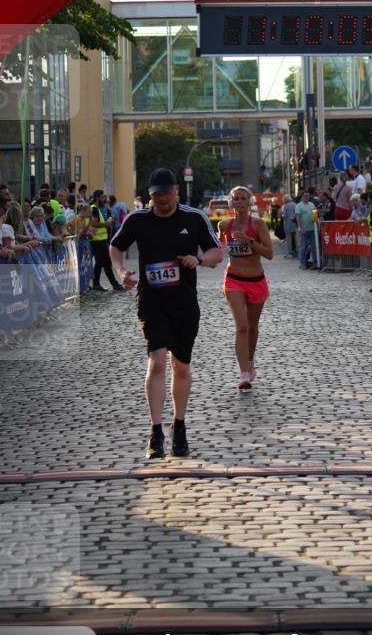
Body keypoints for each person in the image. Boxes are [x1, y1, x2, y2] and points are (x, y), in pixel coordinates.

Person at [110, 168, 223, 459]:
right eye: (156, 194)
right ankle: (156, 431)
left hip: (184, 303)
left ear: (177, 191)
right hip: (151, 299)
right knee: (157, 363)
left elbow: (216, 253)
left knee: (181, 367)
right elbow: (115, 246)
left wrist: (196, 259)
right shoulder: (138, 220)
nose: (162, 199)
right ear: (150, 196)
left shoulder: (193, 217)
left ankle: (180, 425)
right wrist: (121, 271)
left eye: (166, 192)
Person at [218, 186, 274, 390]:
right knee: (241, 326)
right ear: (231, 203)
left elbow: (269, 253)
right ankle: (243, 374)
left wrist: (249, 241)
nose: (239, 202)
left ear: (248, 202)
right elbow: (221, 248)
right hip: (233, 279)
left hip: (256, 280)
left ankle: (250, 362)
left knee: (252, 327)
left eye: (243, 198)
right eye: (236, 199)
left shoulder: (257, 224)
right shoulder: (225, 225)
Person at [90, 190, 124, 292]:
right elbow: (93, 223)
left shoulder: (104, 208)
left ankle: (96, 284)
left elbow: (110, 218)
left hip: (104, 239)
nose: (105, 199)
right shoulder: (93, 208)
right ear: (97, 198)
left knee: (99, 263)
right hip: (97, 240)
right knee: (107, 262)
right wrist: (106, 223)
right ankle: (115, 284)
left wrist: (111, 221)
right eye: (102, 197)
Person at [295, 189, 316, 270]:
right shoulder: (299, 206)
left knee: (314, 246)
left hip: (312, 229)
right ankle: (302, 263)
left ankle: (315, 262)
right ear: (302, 196)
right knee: (303, 247)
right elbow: (298, 218)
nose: (306, 197)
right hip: (304, 230)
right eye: (305, 196)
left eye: (308, 195)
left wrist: (316, 224)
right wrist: (301, 228)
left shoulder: (312, 204)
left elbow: (315, 215)